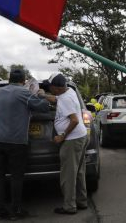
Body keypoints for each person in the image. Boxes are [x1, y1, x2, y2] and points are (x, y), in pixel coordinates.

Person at [0, 69, 49, 220]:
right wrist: (40, 93)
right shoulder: (24, 94)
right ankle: (16, 211)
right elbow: (43, 107)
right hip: (16, 142)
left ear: (9, 80)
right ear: (23, 81)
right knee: (16, 177)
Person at [40, 73, 89, 215]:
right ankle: (81, 201)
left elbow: (74, 120)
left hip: (72, 140)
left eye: (50, 87)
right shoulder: (69, 91)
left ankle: (69, 206)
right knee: (79, 172)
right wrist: (43, 95)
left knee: (68, 176)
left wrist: (62, 136)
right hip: (80, 137)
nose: (49, 88)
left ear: (57, 87)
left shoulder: (66, 98)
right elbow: (56, 99)